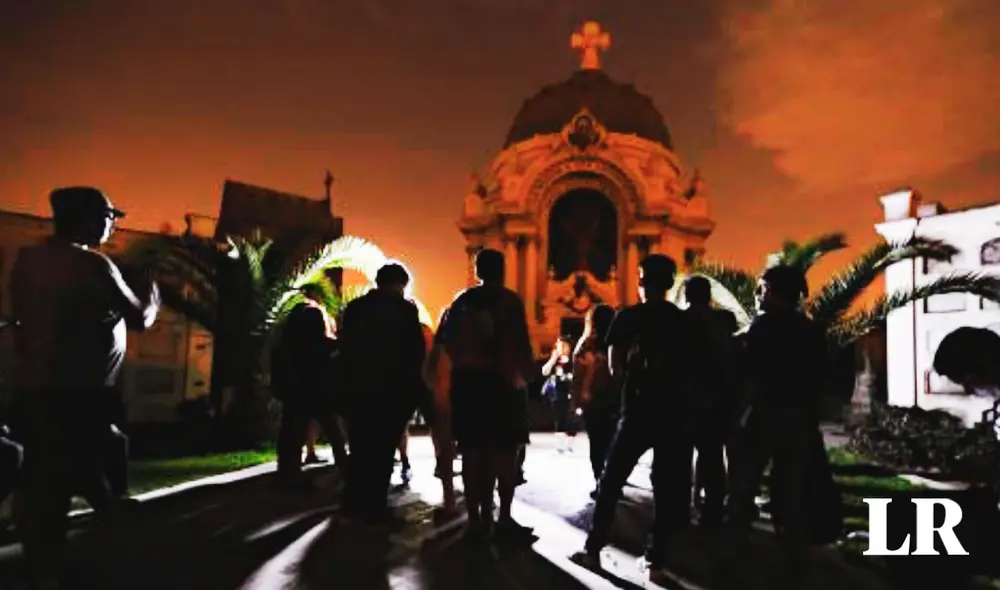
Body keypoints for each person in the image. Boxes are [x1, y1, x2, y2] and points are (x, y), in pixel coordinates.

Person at [10, 186, 160, 589]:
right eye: (110, 217)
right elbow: (140, 317)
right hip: (78, 394)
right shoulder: (91, 264)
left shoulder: (29, 260)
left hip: (37, 389)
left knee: (50, 476)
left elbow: (28, 322)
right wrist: (151, 289)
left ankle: (50, 563)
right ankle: (57, 571)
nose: (112, 225)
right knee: (67, 480)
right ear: (89, 219)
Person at [571, 254, 702, 578]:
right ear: (669, 283)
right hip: (674, 412)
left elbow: (615, 365)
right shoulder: (683, 321)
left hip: (638, 410)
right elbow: (694, 368)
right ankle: (656, 560)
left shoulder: (628, 317)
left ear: (642, 281)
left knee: (611, 481)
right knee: (666, 487)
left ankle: (593, 549)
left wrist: (626, 391)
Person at [726, 264, 833, 588]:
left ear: (774, 292)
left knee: (743, 487)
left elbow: (751, 376)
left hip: (766, 416)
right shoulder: (811, 330)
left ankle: (735, 559)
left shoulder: (763, 328)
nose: (758, 294)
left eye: (762, 288)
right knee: (790, 491)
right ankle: (794, 562)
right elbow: (821, 380)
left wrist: (737, 416)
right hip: (799, 419)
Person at [438, 248, 536, 542]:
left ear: (478, 271)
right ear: (502, 271)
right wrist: (527, 376)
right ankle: (503, 517)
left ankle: (476, 520)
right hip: (504, 386)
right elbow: (521, 344)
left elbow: (448, 343)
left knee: (471, 453)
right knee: (504, 455)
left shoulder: (462, 302)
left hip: (469, 386)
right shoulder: (510, 302)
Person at [339, 263, 426, 526]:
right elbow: (415, 351)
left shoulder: (356, 308)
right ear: (400, 285)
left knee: (360, 447)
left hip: (360, 389)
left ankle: (353, 501)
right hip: (392, 391)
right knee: (383, 450)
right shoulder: (404, 310)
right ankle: (375, 504)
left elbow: (346, 347)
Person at [271, 283, 348, 490]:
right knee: (335, 434)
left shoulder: (286, 346)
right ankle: (345, 470)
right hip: (321, 394)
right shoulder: (326, 346)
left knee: (292, 435)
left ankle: (288, 473)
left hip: (295, 395)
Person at [683, 276, 739, 526]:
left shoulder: (682, 321)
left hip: (689, 399)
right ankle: (713, 508)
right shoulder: (724, 320)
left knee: (683, 456)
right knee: (712, 456)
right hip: (719, 398)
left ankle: (685, 508)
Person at [570, 304, 618, 498]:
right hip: (614, 400)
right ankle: (612, 483)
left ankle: (601, 482)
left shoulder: (584, 347)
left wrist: (577, 402)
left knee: (597, 445)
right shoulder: (618, 343)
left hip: (593, 402)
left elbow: (577, 377)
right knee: (612, 445)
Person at [541, 337, 575, 449]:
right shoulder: (555, 360)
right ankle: (560, 443)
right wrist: (552, 359)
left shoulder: (573, 359)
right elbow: (544, 372)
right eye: (559, 345)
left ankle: (569, 444)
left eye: (563, 345)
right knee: (559, 418)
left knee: (571, 419)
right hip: (557, 394)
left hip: (571, 393)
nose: (561, 348)